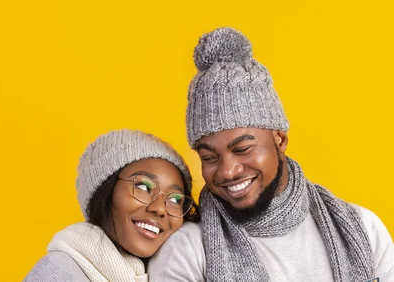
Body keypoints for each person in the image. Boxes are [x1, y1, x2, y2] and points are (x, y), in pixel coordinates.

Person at [149, 27, 394, 282]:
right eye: (209, 157)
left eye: (242, 149)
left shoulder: (363, 230)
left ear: (280, 139)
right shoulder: (187, 251)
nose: (227, 171)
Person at [24, 129, 199, 282]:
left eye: (175, 199)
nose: (160, 208)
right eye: (143, 187)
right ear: (105, 192)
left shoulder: (170, 271)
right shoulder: (59, 272)